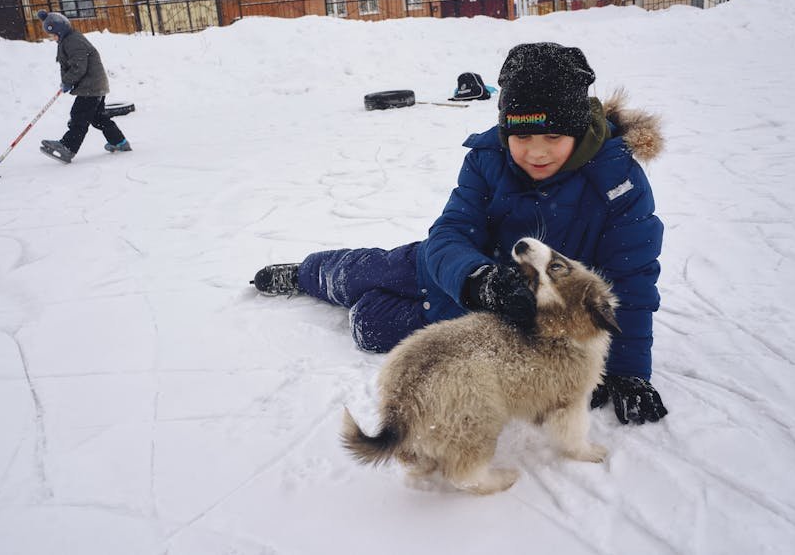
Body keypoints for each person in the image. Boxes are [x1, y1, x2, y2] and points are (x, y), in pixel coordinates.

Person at [251, 42, 668, 425]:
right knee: (362, 272)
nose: (536, 151)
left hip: (483, 322)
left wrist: (627, 371)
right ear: (506, 131)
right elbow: (450, 233)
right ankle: (306, 275)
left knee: (369, 327)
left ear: (578, 132)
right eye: (522, 136)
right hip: (448, 272)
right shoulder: (489, 160)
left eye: (553, 136)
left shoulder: (618, 184)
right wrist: (476, 279)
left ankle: (360, 309)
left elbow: (631, 278)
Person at [36, 10, 132, 163]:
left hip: (91, 86)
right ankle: (119, 142)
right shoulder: (67, 39)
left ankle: (68, 147)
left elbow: (78, 66)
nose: (52, 38)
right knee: (98, 117)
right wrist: (67, 81)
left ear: (60, 31)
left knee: (79, 116)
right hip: (95, 85)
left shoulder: (73, 41)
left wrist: (68, 81)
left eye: (53, 35)